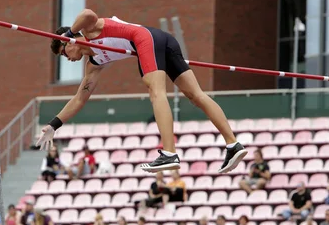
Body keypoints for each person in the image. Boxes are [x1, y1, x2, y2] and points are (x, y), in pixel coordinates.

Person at [37, 11, 247, 173]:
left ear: (68, 42)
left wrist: (70, 33)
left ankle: (169, 153)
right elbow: (80, 98)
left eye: (64, 53)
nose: (67, 59)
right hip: (162, 40)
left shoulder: (90, 30)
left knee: (156, 91)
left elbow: (88, 13)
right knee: (195, 95)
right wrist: (54, 125)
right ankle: (233, 144)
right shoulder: (94, 63)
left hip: (146, 40)